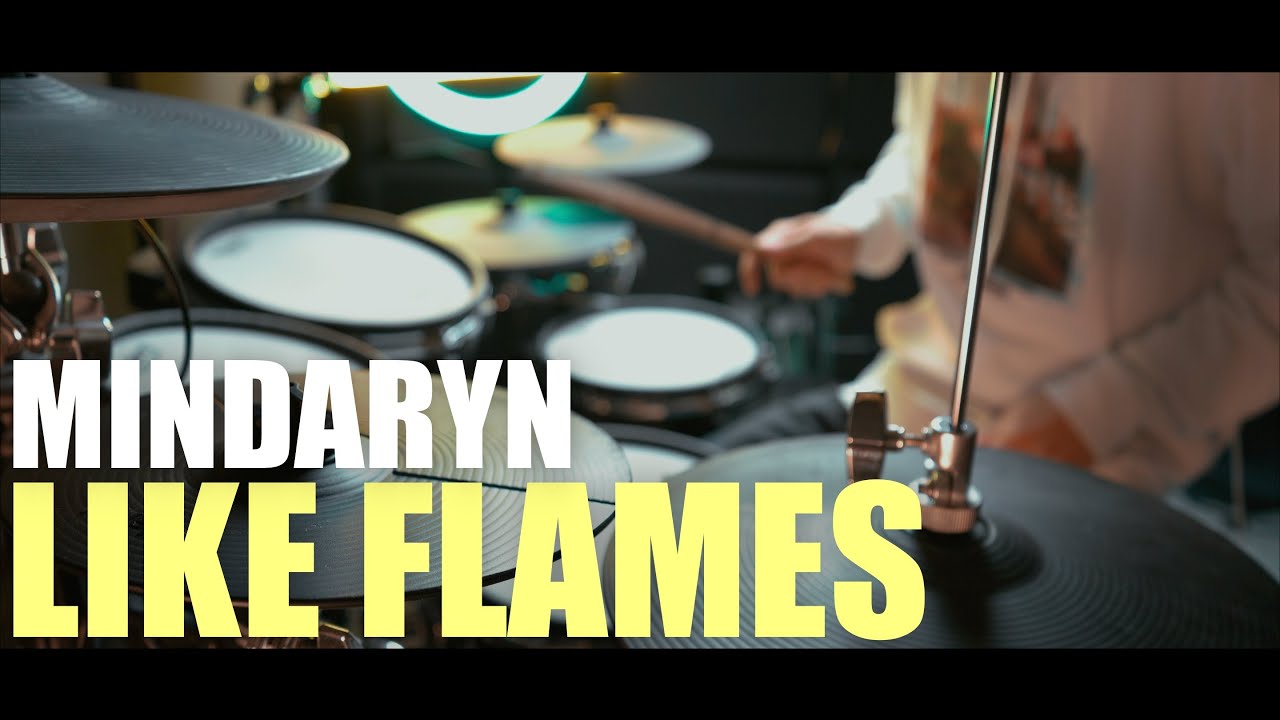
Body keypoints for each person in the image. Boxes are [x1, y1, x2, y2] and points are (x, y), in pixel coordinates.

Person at [720, 72, 1279, 495]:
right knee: (679, 531)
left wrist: (1092, 413)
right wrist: (863, 226)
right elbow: (926, 143)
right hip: (911, 398)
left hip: (1103, 462)